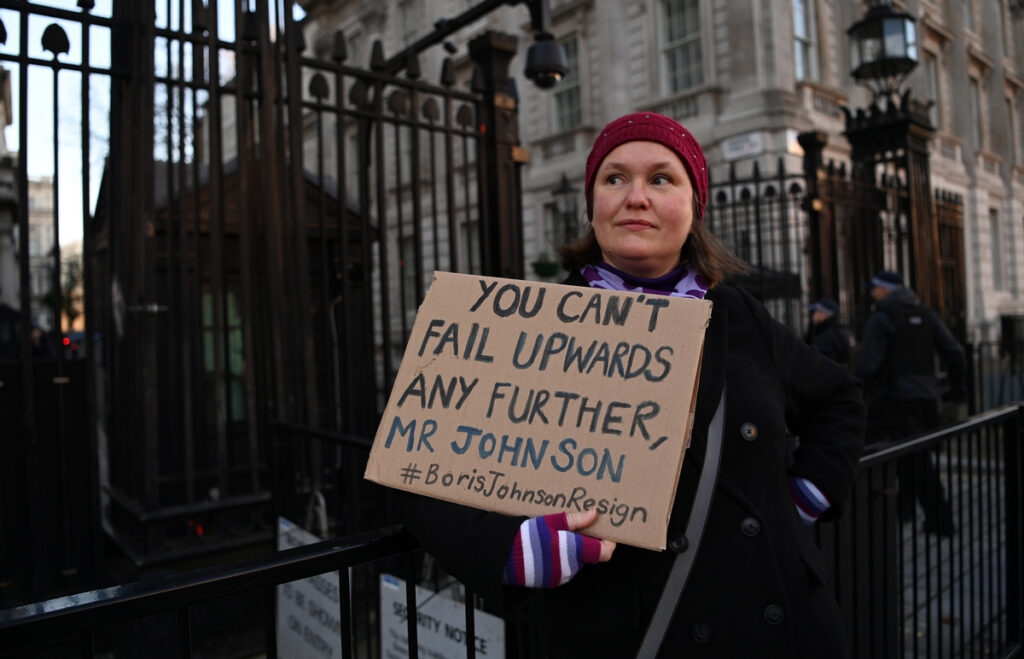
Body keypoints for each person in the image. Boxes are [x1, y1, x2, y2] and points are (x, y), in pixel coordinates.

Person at [402, 112, 865, 657]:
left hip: (781, 627)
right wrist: (507, 545)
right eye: (614, 178)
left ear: (694, 208)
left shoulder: (740, 316)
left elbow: (840, 396)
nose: (636, 197)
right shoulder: (530, 323)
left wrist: (804, 498)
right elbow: (417, 455)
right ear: (593, 205)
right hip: (626, 633)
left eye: (662, 179)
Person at [854, 270, 965, 536]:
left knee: (912, 461)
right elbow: (956, 353)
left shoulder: (882, 318)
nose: (872, 293)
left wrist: (857, 396)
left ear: (886, 290)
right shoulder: (926, 315)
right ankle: (904, 512)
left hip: (895, 402)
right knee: (910, 457)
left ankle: (941, 520)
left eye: (875, 288)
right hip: (926, 400)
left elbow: (867, 366)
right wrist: (958, 391)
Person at [805, 297, 853, 365]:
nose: (813, 315)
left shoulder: (826, 337)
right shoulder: (842, 330)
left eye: (816, 312)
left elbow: (820, 364)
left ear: (824, 314)